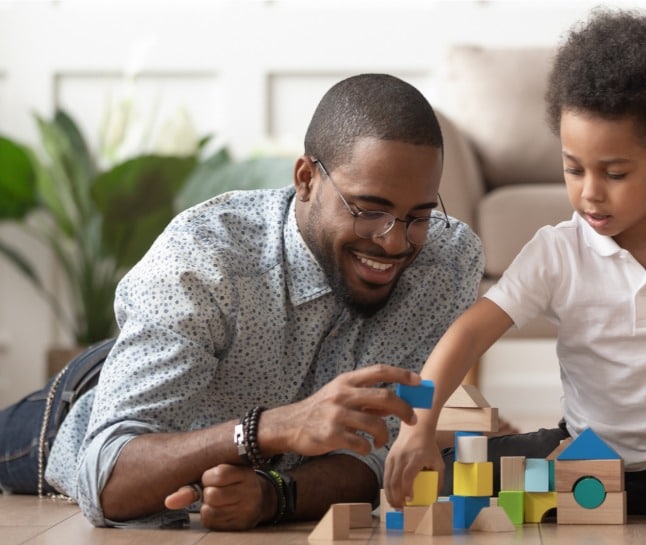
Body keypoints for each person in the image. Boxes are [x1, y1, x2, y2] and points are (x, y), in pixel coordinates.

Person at [384, 9, 646, 524]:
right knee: (452, 470)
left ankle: (609, 499)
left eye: (614, 173)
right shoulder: (556, 250)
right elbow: (469, 334)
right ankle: (594, 489)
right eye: (573, 168)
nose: (589, 192)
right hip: (588, 450)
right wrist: (417, 428)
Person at [0, 74, 484, 530]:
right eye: (369, 210)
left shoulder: (445, 265)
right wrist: (269, 429)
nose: (395, 243)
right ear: (306, 179)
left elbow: (376, 455)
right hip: (79, 410)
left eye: (417, 217)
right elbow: (104, 477)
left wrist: (274, 494)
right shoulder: (204, 257)